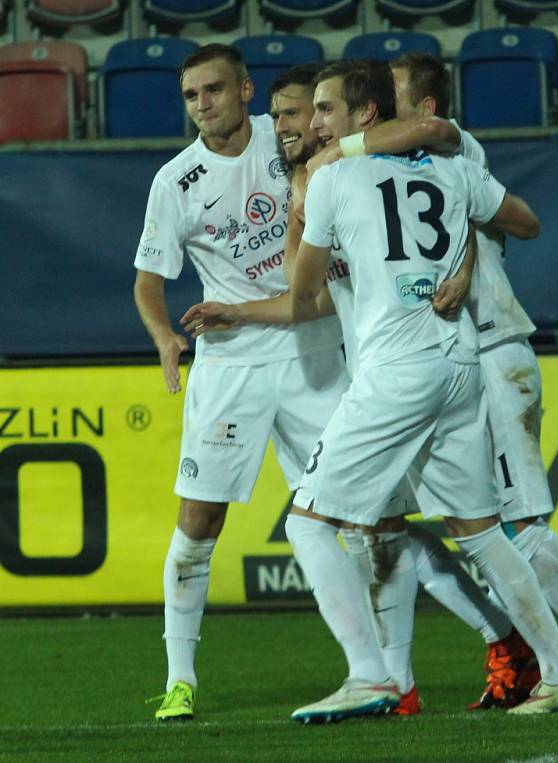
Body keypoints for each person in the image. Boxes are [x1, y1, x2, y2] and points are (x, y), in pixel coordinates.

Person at [184, 62, 538, 715]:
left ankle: (403, 670)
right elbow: (309, 297)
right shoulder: (331, 182)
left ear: (349, 117)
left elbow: (310, 283)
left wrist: (461, 265)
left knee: (353, 525)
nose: (293, 125)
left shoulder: (363, 168)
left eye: (305, 112)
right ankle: (501, 662)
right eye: (287, 116)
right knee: (413, 529)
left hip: (403, 375)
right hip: (400, 369)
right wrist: (239, 310)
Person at [286, 58, 558, 722]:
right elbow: (521, 218)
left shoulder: (335, 178)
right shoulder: (450, 166)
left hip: (396, 372)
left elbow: (302, 288)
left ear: (364, 115)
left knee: (306, 521)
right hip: (459, 365)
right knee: (480, 532)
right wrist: (463, 254)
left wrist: (299, 206)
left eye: (326, 109)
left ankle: (372, 674)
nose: (314, 122)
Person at [388, 52, 558, 710]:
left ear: (425, 110)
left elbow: (520, 217)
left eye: (391, 101)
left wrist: (470, 265)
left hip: (494, 348)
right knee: (468, 526)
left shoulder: (453, 150)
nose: (379, 114)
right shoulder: (389, 175)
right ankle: (530, 648)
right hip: (453, 366)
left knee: (518, 525)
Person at [133, 44, 350, 722]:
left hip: (311, 345)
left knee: (364, 513)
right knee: (199, 520)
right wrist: (165, 335)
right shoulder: (176, 180)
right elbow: (147, 282)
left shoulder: (287, 141)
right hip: (228, 363)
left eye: (214, 91)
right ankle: (180, 678)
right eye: (192, 95)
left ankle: (385, 672)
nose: (202, 104)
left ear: (246, 90)